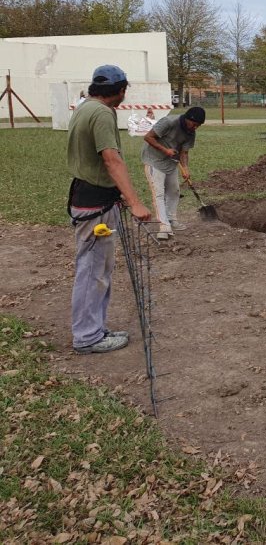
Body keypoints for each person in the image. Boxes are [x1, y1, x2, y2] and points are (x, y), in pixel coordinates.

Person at [66, 64, 151, 354]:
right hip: (95, 203)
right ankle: (88, 337)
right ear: (121, 90)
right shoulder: (102, 113)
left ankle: (95, 328)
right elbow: (111, 160)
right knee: (93, 271)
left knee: (97, 268)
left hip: (89, 196)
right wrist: (135, 202)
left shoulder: (84, 107)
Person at [141, 106, 206, 239]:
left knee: (174, 191)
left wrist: (186, 168)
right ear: (188, 119)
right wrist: (165, 150)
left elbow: (184, 151)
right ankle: (163, 226)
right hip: (154, 160)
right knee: (158, 194)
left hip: (171, 162)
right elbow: (148, 137)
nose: (195, 128)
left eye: (198, 126)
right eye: (194, 124)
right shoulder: (169, 122)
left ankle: (171, 219)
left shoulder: (191, 132)